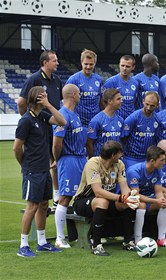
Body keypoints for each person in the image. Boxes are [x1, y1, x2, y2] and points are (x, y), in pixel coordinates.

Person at [14, 86, 66, 257]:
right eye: (43, 96)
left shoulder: (42, 116)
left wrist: (49, 105)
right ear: (37, 99)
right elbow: (17, 147)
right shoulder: (26, 120)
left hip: (44, 169)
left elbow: (62, 121)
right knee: (32, 206)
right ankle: (23, 246)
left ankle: (42, 242)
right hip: (33, 170)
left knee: (43, 205)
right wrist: (25, 164)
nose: (47, 98)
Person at [73, 141, 139, 256]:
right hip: (83, 201)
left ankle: (128, 241)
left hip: (108, 201)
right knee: (102, 201)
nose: (121, 155)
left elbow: (124, 187)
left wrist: (129, 196)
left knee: (129, 203)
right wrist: (120, 197)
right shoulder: (93, 163)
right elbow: (98, 191)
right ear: (113, 155)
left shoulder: (119, 164)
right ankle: (96, 245)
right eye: (119, 153)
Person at [17, 50, 62, 209]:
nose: (57, 63)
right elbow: (21, 102)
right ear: (45, 63)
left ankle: (57, 195)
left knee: (56, 160)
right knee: (47, 158)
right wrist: (29, 118)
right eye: (54, 60)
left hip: (54, 124)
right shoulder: (34, 79)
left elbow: (59, 103)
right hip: (41, 124)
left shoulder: (57, 80)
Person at [52, 84, 87, 249]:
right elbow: (56, 143)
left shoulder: (74, 114)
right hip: (69, 159)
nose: (80, 95)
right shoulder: (62, 115)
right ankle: (60, 238)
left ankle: (83, 234)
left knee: (82, 195)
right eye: (79, 93)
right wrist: (58, 159)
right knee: (65, 197)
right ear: (73, 95)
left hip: (80, 159)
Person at [126, 145, 166, 248]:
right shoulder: (134, 171)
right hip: (131, 199)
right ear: (152, 161)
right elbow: (135, 195)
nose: (164, 163)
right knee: (141, 205)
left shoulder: (158, 170)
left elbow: (159, 191)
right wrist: (156, 201)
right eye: (161, 160)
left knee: (165, 203)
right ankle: (138, 241)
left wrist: (161, 200)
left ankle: (162, 239)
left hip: (148, 196)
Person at [121, 91, 160, 169]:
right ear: (143, 101)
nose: (148, 108)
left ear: (157, 105)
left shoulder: (157, 119)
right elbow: (123, 137)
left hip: (147, 159)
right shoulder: (133, 118)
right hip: (131, 158)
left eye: (152, 106)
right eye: (147, 104)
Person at [65, 49, 103, 127]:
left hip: (94, 122)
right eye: (86, 64)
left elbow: (100, 100)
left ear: (95, 63)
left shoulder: (98, 79)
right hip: (79, 122)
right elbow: (66, 101)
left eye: (91, 64)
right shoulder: (73, 79)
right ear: (81, 62)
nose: (88, 67)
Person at [86, 88, 123, 158]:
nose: (121, 101)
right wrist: (93, 160)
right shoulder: (96, 120)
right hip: (101, 161)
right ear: (110, 101)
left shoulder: (120, 120)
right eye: (118, 99)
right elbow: (89, 143)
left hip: (116, 161)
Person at [103, 55, 138, 120]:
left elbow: (133, 102)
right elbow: (104, 102)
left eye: (127, 66)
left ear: (133, 67)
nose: (124, 68)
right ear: (119, 65)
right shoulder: (111, 82)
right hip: (115, 120)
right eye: (122, 65)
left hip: (130, 120)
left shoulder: (135, 83)